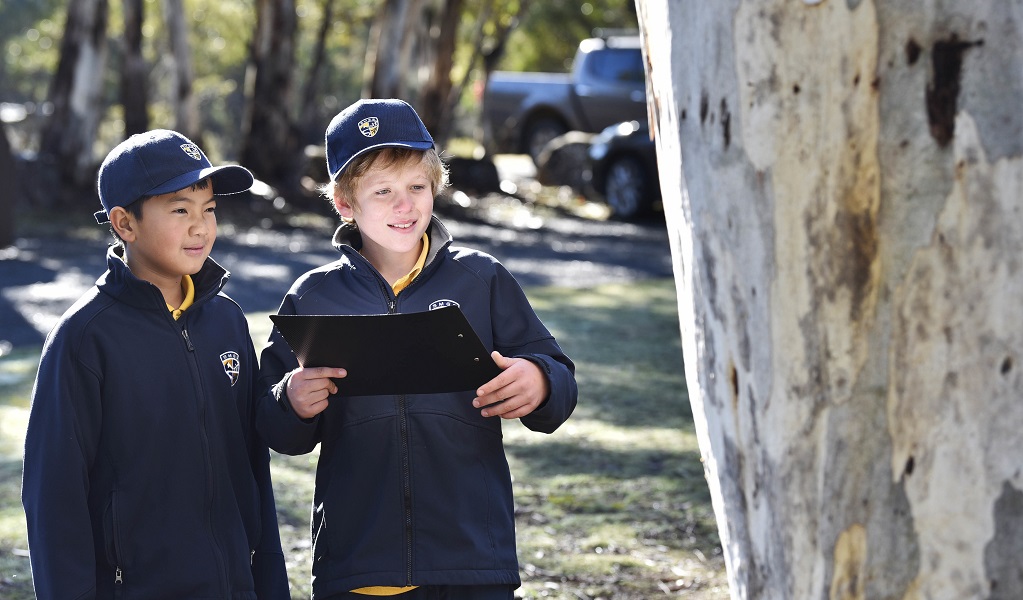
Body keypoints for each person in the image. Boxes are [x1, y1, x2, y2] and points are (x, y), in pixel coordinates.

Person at [256, 98, 578, 599]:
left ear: (436, 187)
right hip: (358, 561)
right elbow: (274, 423)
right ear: (345, 203)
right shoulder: (312, 296)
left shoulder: (481, 278)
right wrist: (291, 401)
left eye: (416, 187)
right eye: (382, 191)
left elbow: (558, 379)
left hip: (472, 559)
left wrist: (539, 381)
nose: (404, 205)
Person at [21, 129, 290, 599]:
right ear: (125, 223)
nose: (201, 227)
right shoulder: (84, 338)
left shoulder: (227, 321)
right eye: (180, 209)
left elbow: (253, 469)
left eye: (208, 210)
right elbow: (53, 500)